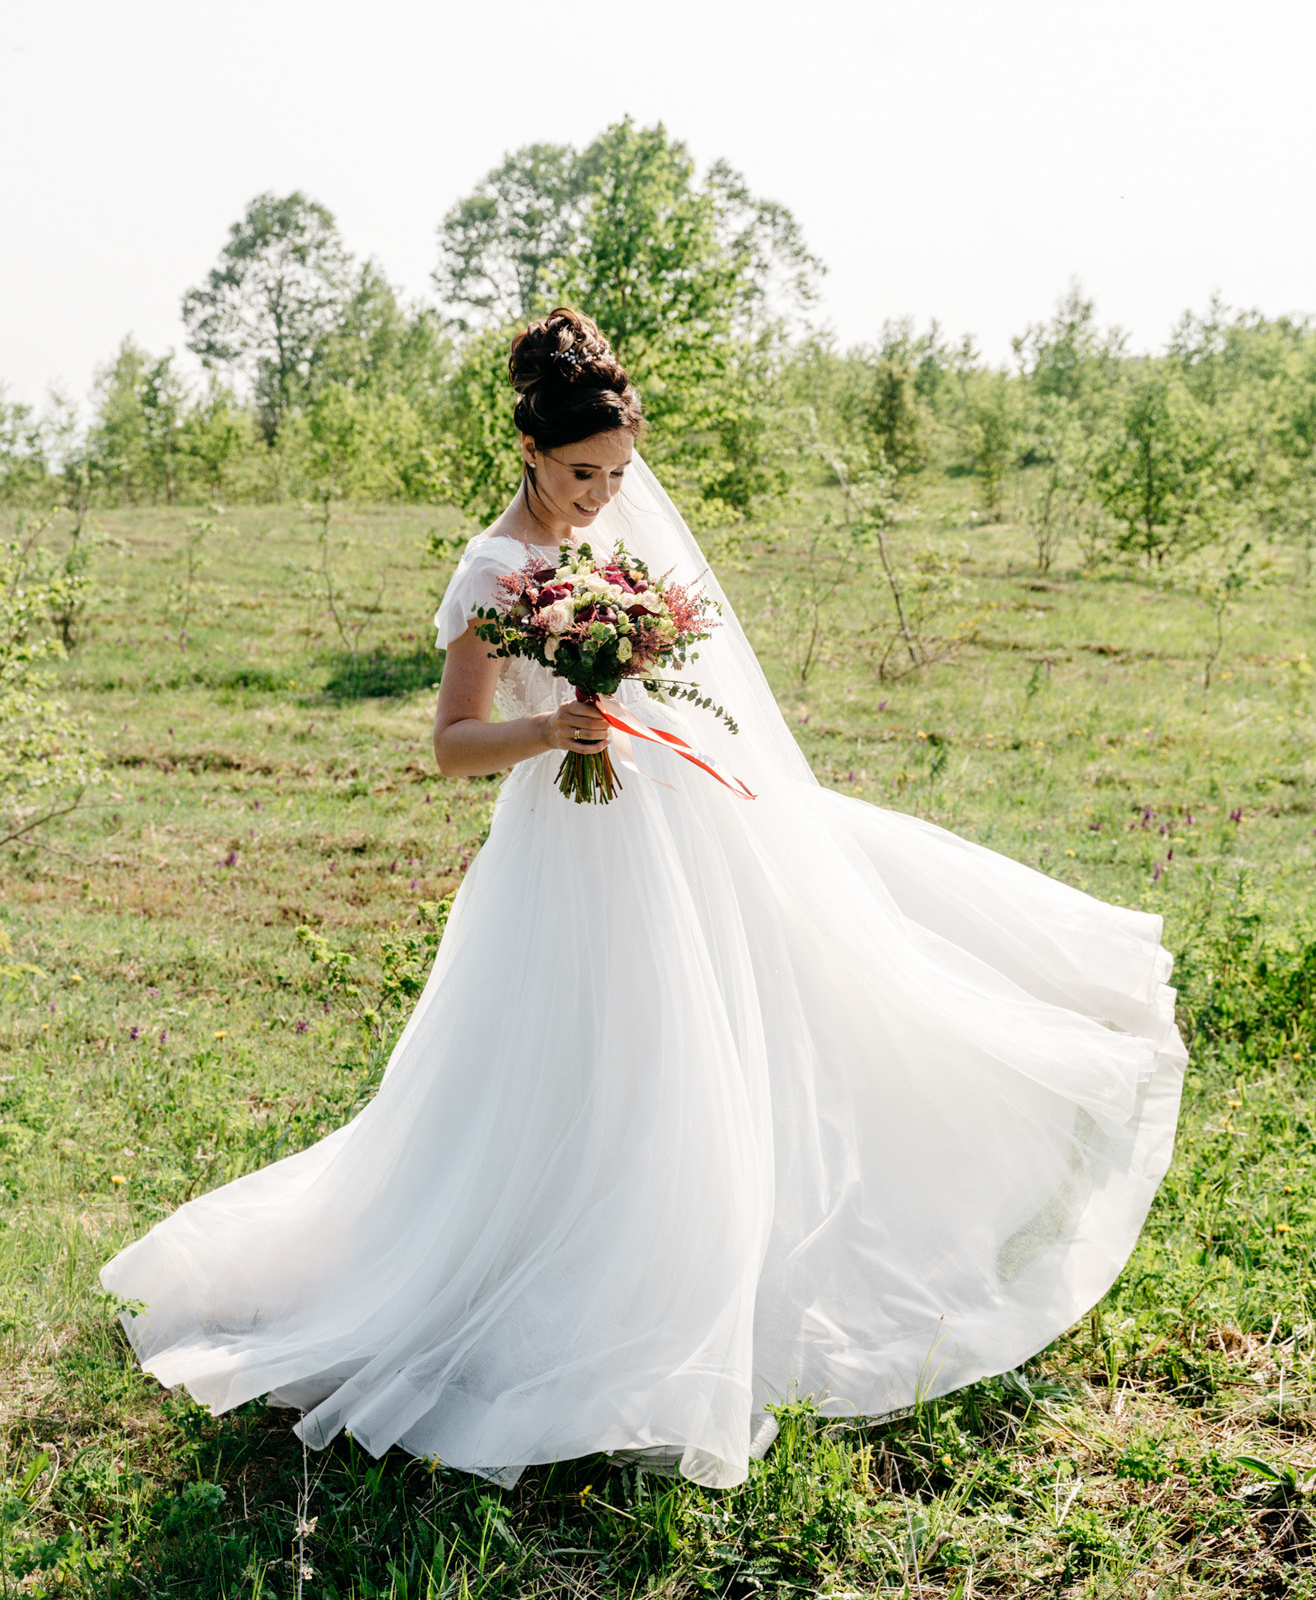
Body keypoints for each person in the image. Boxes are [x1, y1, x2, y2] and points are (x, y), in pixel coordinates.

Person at [101, 307, 1186, 1489]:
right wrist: (550, 726)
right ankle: (561, 1292)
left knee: (735, 1032)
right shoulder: (493, 570)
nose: (600, 495)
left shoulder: (620, 539)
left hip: (674, 826)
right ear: (529, 450)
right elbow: (453, 744)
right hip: (565, 850)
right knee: (580, 1067)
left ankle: (706, 1275)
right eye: (581, 474)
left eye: (619, 473)